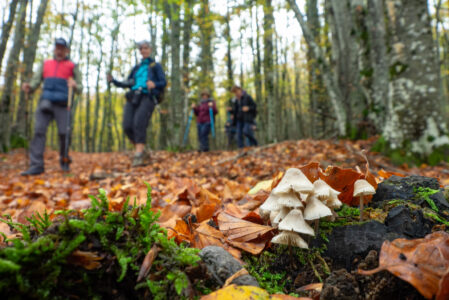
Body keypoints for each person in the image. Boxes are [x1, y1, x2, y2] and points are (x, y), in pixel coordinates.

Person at [21, 38, 82, 175]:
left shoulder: (72, 66)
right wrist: (29, 87)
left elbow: (80, 86)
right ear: (54, 49)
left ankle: (64, 160)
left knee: (64, 133)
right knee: (39, 131)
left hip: (63, 104)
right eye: (57, 48)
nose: (59, 51)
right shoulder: (46, 64)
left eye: (62, 48)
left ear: (66, 50)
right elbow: (36, 81)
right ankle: (36, 165)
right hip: (46, 102)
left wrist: (75, 85)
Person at [107, 40, 166, 167]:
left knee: (139, 123)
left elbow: (163, 82)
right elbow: (127, 83)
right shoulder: (136, 68)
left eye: (146, 48)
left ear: (150, 49)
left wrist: (154, 84)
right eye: (141, 48)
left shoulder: (155, 66)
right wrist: (114, 81)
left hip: (148, 96)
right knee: (127, 125)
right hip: (133, 96)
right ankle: (141, 149)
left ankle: (138, 155)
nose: (143, 50)